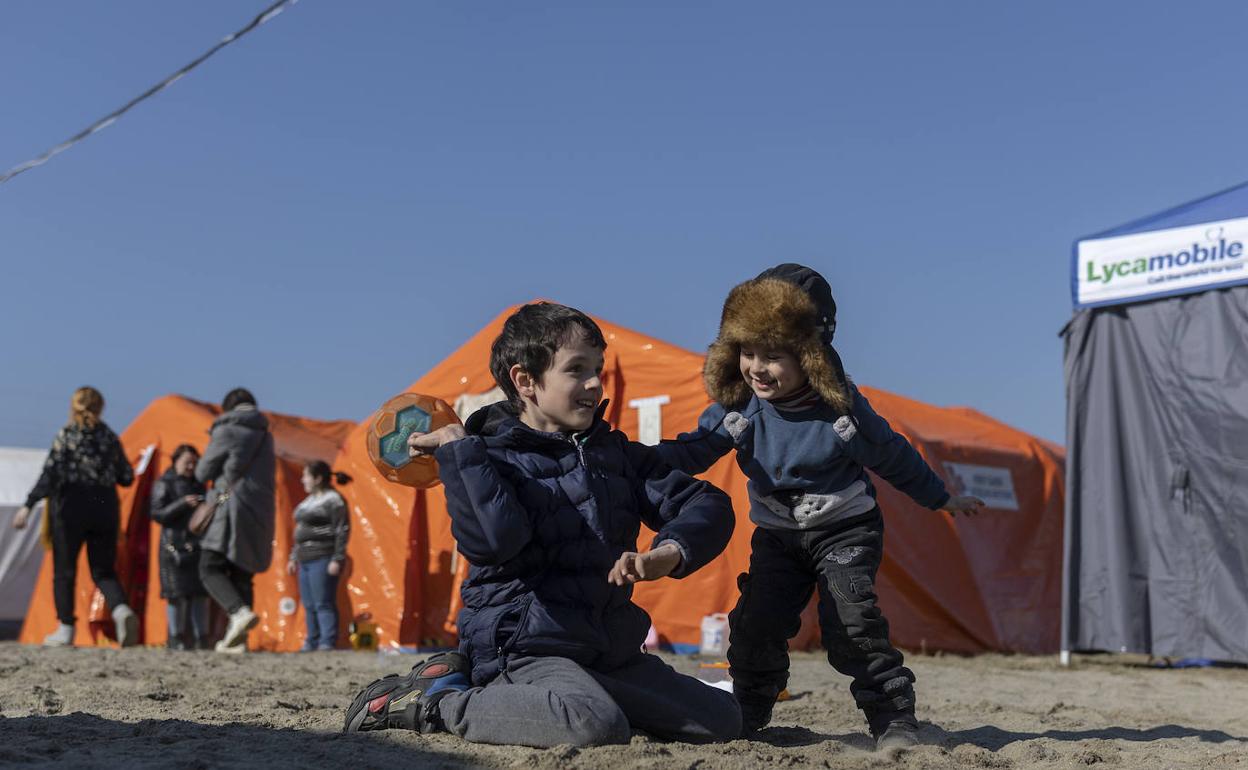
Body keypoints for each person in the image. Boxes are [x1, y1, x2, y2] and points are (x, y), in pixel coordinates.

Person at [344, 302, 742, 746]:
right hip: (523, 649)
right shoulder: (488, 458)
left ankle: (584, 697)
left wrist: (669, 553)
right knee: (594, 725)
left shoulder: (616, 455)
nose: (594, 383)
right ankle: (434, 702)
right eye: (576, 370)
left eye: (597, 368)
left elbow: (706, 504)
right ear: (526, 381)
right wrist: (458, 448)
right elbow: (495, 541)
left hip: (608, 650)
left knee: (722, 719)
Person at [653, 264, 984, 752]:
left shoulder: (843, 411)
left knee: (852, 623)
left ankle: (894, 719)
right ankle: (746, 711)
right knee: (757, 623)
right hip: (778, 536)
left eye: (773, 355)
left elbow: (892, 454)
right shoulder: (740, 408)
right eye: (746, 352)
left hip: (845, 530)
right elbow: (691, 450)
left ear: (808, 355)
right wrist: (633, 460)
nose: (757, 368)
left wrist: (941, 497)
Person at [11, 387, 140, 647]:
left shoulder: (67, 436)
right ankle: (121, 609)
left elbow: (50, 474)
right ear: (100, 407)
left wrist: (28, 505)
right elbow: (126, 477)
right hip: (105, 506)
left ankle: (66, 628)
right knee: (103, 570)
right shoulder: (108, 437)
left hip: (70, 506)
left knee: (64, 570)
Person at [195, 387, 276, 653]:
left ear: (228, 407)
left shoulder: (226, 429)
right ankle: (238, 640)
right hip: (259, 509)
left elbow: (202, 471)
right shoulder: (266, 435)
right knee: (243, 572)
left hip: (229, 506)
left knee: (210, 565)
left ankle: (238, 612)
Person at [149, 443, 211, 650]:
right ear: (176, 461)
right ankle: (175, 638)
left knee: (199, 594)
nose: (191, 467)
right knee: (175, 594)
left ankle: (201, 638)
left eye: (194, 463)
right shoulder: (164, 484)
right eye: (187, 462)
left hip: (196, 544)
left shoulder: (200, 485)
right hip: (171, 545)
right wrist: (183, 503)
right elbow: (157, 514)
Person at [286, 460, 351, 651]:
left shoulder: (334, 500)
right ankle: (311, 641)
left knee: (323, 602)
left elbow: (342, 530)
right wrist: (293, 557)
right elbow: (300, 531)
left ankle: (326, 642)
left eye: (306, 475)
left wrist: (337, 558)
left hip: (323, 557)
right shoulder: (307, 502)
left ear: (318, 478)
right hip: (304, 559)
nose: (302, 479)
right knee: (309, 603)